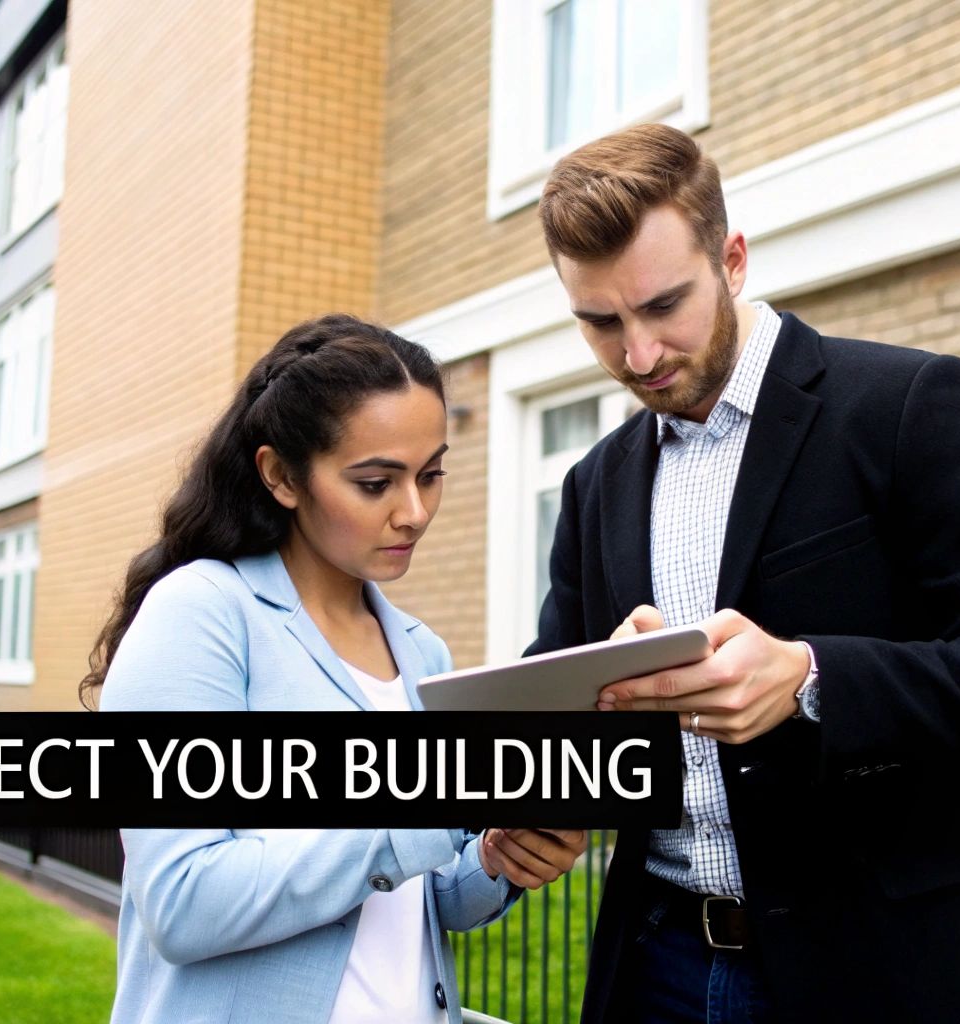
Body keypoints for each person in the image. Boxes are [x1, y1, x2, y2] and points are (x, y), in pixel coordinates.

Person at [528, 124, 960, 1022]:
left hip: (887, 976)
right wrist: (553, 774)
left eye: (664, 305)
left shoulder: (907, 406)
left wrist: (811, 677)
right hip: (659, 969)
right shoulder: (595, 483)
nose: (637, 355)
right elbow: (551, 699)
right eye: (600, 323)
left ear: (734, 258)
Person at [83, 314, 587, 1024]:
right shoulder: (201, 617)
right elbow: (182, 902)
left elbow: (419, 895)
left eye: (432, 474)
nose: (414, 512)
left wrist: (500, 859)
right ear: (282, 476)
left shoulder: (422, 651)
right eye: (376, 482)